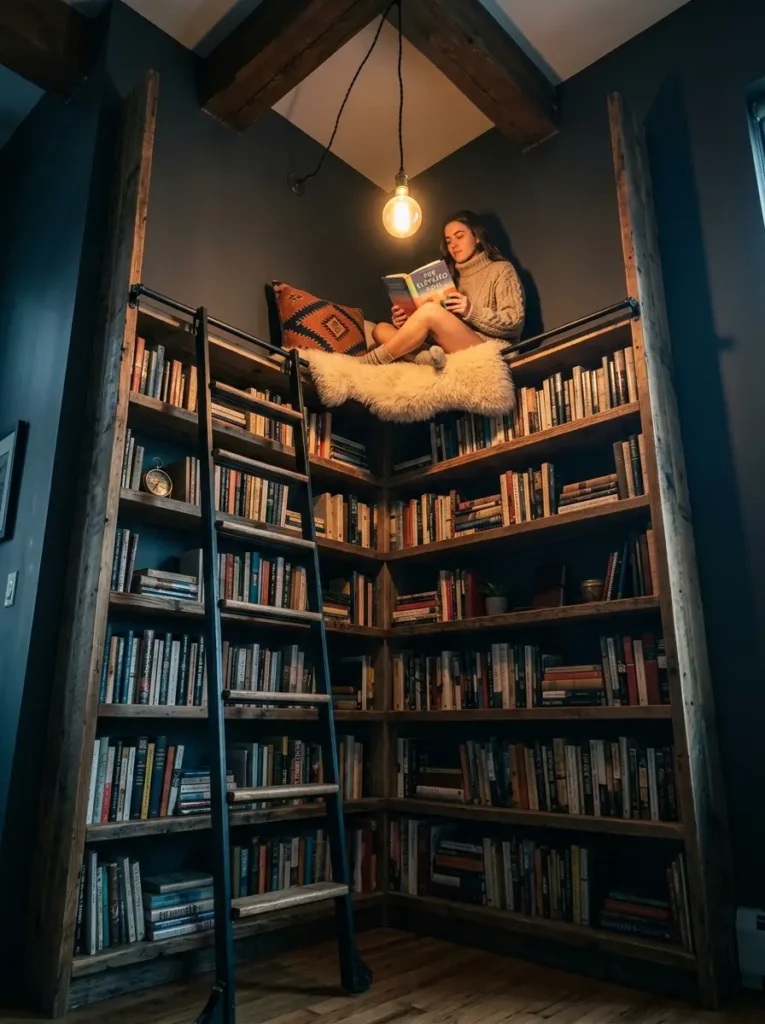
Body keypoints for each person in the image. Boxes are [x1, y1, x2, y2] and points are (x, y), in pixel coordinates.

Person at [360, 210, 525, 367]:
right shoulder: (450, 275)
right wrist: (404, 321)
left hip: (487, 348)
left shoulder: (501, 269)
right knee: (380, 330)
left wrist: (471, 311)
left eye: (459, 236)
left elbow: (514, 322)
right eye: (448, 241)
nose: (453, 245)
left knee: (430, 311)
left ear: (476, 237)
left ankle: (370, 362)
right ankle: (429, 359)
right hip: (444, 347)